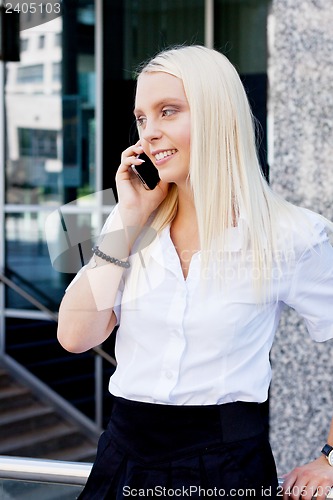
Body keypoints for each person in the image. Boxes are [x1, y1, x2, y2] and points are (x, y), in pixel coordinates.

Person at [57, 45, 333, 499]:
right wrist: (127, 219)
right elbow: (75, 336)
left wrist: (330, 459)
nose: (149, 134)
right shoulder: (128, 223)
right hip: (121, 460)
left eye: (168, 112)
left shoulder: (289, 234)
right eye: (142, 118)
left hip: (227, 469)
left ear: (216, 114)